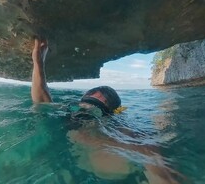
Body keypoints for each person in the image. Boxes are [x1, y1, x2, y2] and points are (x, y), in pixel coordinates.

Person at [31, 37, 186, 183]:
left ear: (109, 116)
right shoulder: (70, 118)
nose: (83, 113)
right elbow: (43, 102)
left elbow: (158, 170)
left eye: (96, 109)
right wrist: (38, 62)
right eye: (81, 106)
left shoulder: (135, 143)